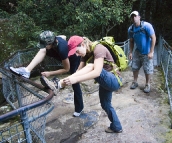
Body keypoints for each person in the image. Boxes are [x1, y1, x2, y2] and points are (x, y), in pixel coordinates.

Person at [40, 35, 123, 133]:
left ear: (83, 44)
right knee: (105, 104)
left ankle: (58, 84)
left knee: (92, 65)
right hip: (105, 83)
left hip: (114, 80)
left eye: (77, 51)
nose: (77, 55)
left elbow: (96, 72)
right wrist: (68, 80)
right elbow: (77, 72)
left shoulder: (99, 49)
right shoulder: (85, 54)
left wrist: (75, 79)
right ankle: (116, 126)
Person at [10, 30, 84, 117]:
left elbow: (66, 69)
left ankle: (79, 108)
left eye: (45, 44)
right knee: (43, 50)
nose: (43, 46)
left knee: (74, 82)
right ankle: (27, 70)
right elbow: (63, 36)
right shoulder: (55, 41)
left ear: (51, 43)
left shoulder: (62, 49)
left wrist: (50, 73)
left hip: (73, 61)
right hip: (62, 54)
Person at [128, 11, 156, 93]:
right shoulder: (131, 29)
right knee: (134, 67)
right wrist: (130, 52)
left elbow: (153, 38)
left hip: (147, 51)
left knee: (147, 69)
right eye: (132, 17)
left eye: (135, 16)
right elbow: (131, 41)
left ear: (139, 17)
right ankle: (135, 82)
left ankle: (147, 84)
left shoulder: (147, 26)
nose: (134, 18)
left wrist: (151, 52)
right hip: (138, 51)